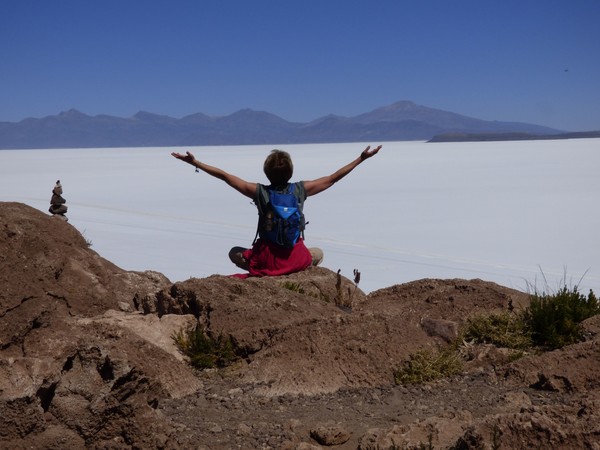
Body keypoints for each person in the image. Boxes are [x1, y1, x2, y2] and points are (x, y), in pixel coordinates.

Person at [171, 145, 381, 277]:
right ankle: (294, 271)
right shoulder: (300, 190)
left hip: (267, 261)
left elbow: (225, 176)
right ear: (290, 172)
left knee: (234, 252)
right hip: (295, 258)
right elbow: (333, 178)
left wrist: (195, 162)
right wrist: (361, 158)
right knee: (318, 254)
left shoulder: (259, 192)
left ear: (267, 172)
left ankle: (269, 272)